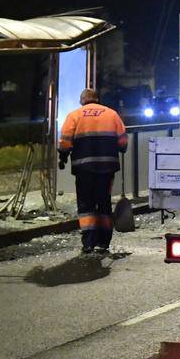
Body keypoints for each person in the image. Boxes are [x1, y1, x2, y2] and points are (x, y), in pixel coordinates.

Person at [59, 88, 128, 254]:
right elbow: (123, 142)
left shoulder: (74, 115)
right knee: (103, 202)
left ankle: (88, 243)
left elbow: (65, 142)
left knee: (86, 204)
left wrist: (63, 157)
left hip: (84, 169)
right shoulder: (112, 114)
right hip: (107, 168)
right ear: (97, 99)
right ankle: (104, 242)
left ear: (82, 100)